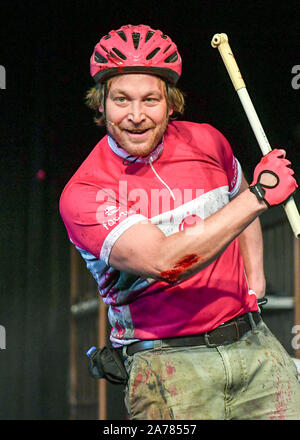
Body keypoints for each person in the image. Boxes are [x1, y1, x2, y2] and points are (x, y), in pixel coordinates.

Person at [59, 24, 300, 420]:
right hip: (167, 368)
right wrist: (261, 196)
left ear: (171, 103)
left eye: (150, 99)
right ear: (100, 104)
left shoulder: (208, 141)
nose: (136, 116)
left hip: (255, 351)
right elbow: (164, 262)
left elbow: (237, 197)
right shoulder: (85, 192)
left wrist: (255, 280)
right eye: (122, 99)